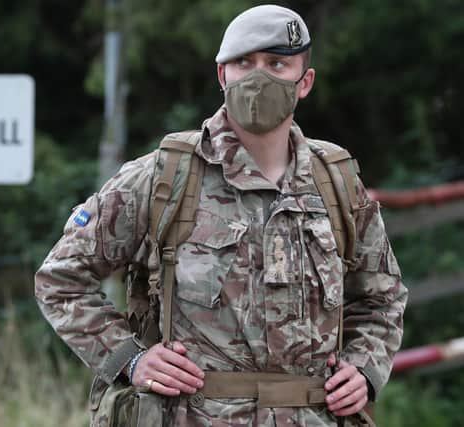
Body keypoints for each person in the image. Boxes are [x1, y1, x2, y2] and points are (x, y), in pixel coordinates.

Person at [35, 4, 407, 426]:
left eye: (277, 64)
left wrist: (363, 368)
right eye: (243, 62)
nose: (258, 76)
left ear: (304, 83)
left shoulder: (336, 184)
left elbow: (382, 296)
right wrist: (129, 358)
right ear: (221, 75)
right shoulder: (164, 177)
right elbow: (60, 278)